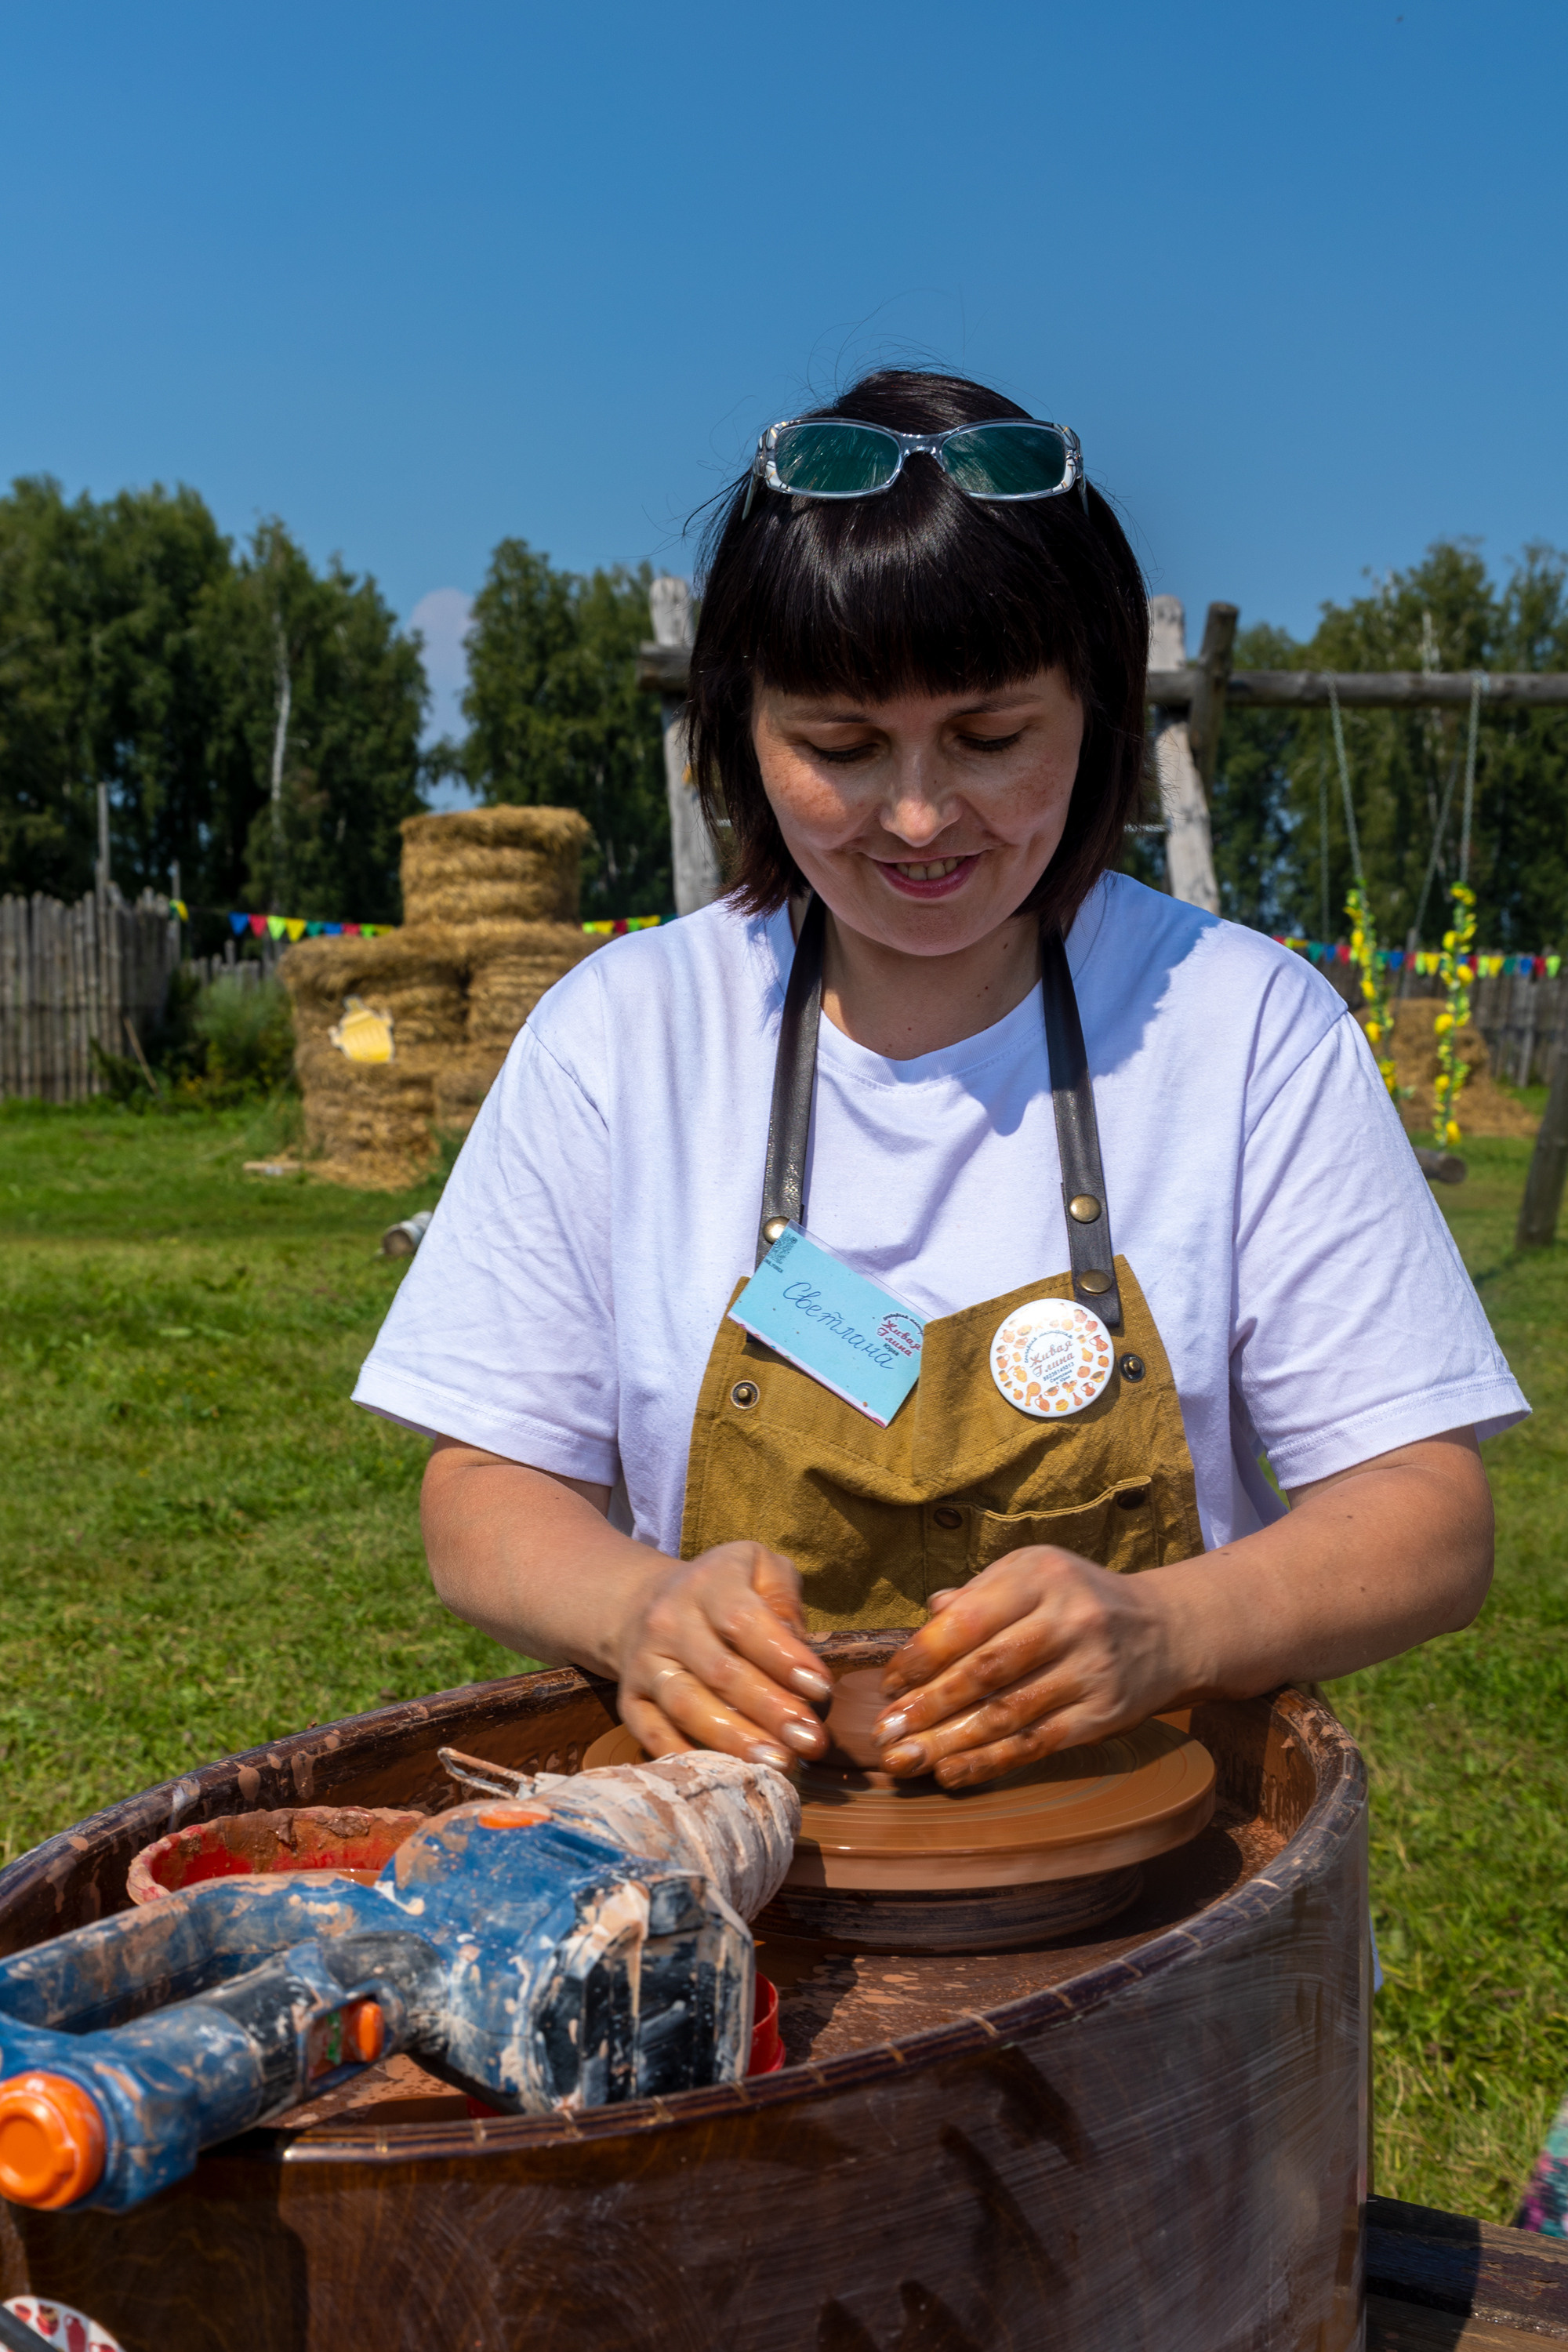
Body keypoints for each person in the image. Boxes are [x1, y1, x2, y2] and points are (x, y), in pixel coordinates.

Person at [354, 367, 1524, 1791]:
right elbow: (482, 1489)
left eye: (990, 738)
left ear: (1089, 711)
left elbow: (1427, 1512)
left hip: (1163, 1897)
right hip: (746, 1894)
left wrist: (1166, 1626)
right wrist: (637, 1606)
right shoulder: (626, 1035)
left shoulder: (1242, 1027)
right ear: (741, 728)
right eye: (840, 747)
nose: (917, 817)